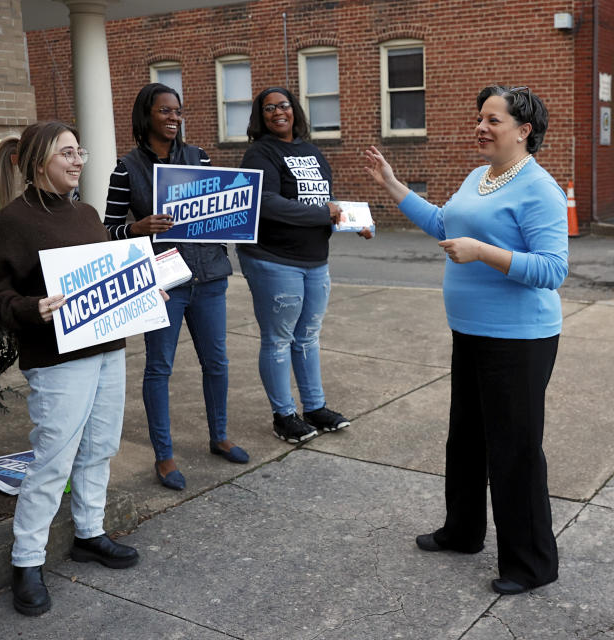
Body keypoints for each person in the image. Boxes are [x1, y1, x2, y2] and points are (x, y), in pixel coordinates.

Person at [364, 85, 568, 595]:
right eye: (480, 117)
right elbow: (442, 223)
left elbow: (552, 270)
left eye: (493, 120)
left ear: (524, 131)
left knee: (515, 450)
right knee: (468, 438)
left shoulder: (539, 188)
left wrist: (483, 251)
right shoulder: (480, 176)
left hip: (519, 339)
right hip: (470, 331)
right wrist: (392, 185)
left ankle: (530, 563)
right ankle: (463, 532)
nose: (481, 126)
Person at [0, 122, 140, 616]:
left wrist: (141, 292)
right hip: (57, 361)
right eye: (67, 153)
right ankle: (27, 560)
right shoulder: (12, 222)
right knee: (52, 461)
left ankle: (89, 534)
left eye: (79, 152)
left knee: (99, 449)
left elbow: (108, 281)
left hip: (108, 349)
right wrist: (33, 309)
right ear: (37, 162)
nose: (78, 161)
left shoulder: (88, 215)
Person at [105, 83, 247, 491]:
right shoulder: (125, 169)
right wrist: (136, 228)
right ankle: (164, 457)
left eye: (177, 112)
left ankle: (219, 436)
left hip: (209, 278)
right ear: (146, 115)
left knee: (217, 363)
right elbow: (105, 229)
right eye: (165, 111)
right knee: (159, 368)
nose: (173, 118)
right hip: (165, 284)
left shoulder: (197, 157)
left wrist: (225, 233)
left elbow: (220, 207)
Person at [238, 87, 370, 443]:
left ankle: (314, 407)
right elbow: (265, 203)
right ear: (260, 116)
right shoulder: (260, 153)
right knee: (279, 339)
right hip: (273, 259)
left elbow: (321, 202)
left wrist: (352, 221)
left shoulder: (312, 151)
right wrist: (320, 212)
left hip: (315, 260)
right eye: (268, 108)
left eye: (283, 105)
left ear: (294, 110)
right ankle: (284, 415)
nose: (277, 112)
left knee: (308, 337)